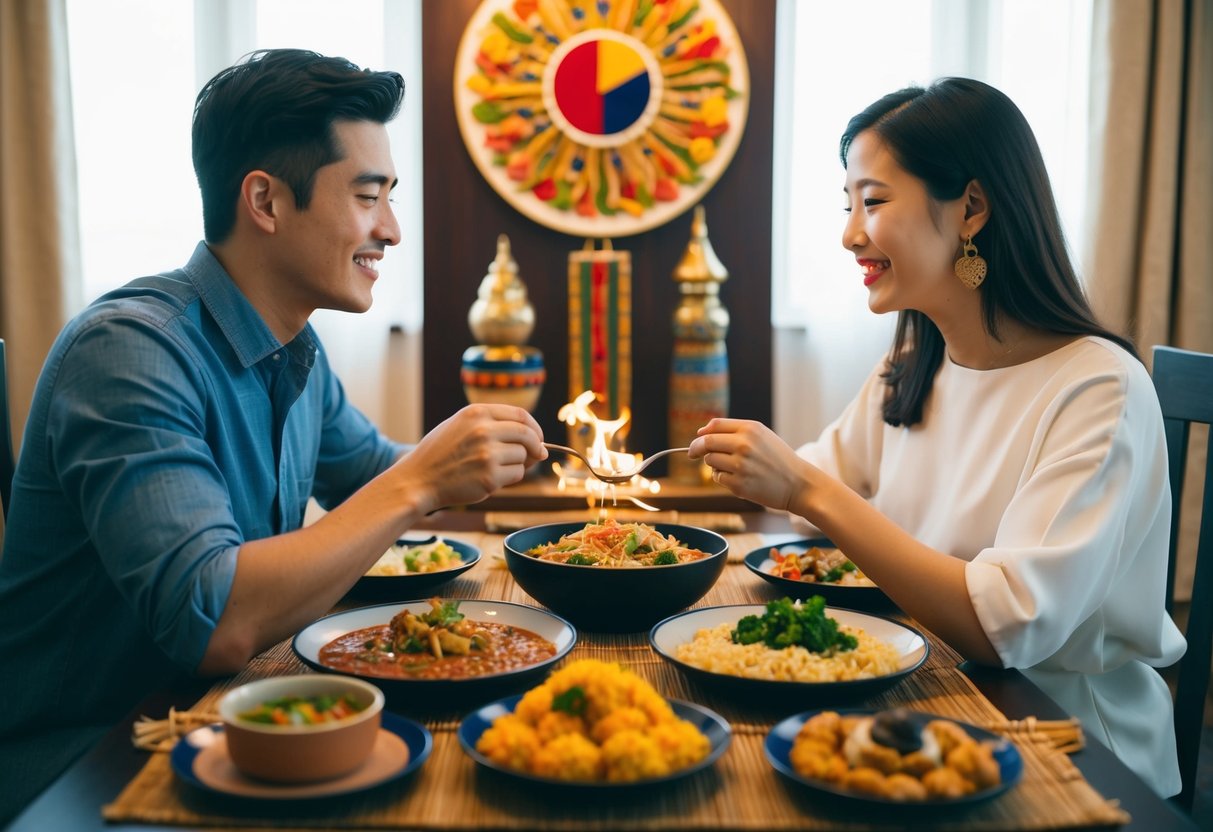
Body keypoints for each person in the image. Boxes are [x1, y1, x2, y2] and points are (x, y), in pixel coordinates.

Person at [0, 48, 546, 822]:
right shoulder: (128, 350)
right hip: (86, 761)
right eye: (367, 196)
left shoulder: (293, 348)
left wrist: (500, 458)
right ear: (264, 199)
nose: (389, 230)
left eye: (389, 198)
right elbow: (216, 619)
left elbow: (372, 473)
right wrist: (422, 479)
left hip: (224, 719)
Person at [689, 78, 1185, 796]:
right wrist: (757, 470)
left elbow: (1002, 626)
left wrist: (801, 485)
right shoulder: (914, 361)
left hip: (1066, 744)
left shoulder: (1095, 386)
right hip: (923, 699)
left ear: (971, 209)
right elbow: (813, 487)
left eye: (873, 200)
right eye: (846, 204)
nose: (849, 232)